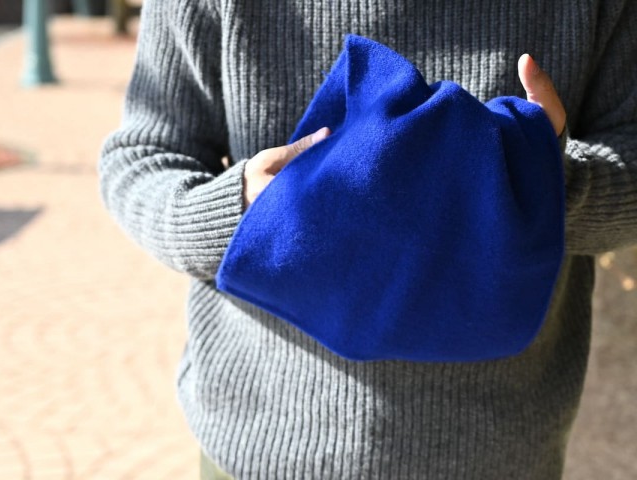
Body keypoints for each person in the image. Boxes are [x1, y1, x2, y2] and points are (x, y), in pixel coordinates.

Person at [99, 0, 637, 478]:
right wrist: (239, 210)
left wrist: (540, 182)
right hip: (256, 441)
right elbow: (141, 158)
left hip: (498, 451)